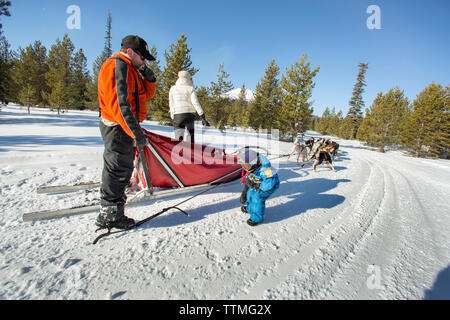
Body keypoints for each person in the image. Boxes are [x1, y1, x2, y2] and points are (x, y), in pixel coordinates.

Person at [96, 35, 157, 230]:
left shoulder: (131, 68)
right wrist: (136, 133)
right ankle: (109, 214)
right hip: (118, 126)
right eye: (142, 57)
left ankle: (114, 208)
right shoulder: (117, 66)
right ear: (130, 51)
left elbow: (147, 95)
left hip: (125, 127)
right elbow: (120, 106)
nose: (144, 61)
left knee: (122, 166)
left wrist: (149, 78)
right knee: (117, 168)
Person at [239, 149, 280, 226]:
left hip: (268, 186)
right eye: (243, 165)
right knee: (249, 194)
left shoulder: (267, 170)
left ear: (254, 163)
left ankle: (256, 218)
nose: (245, 168)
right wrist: (245, 190)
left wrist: (258, 186)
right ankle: (250, 208)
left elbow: (270, 182)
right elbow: (249, 176)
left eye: (246, 166)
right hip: (257, 183)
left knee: (256, 198)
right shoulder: (252, 168)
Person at [169, 71, 210, 143]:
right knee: (190, 136)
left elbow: (171, 104)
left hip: (177, 114)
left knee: (178, 138)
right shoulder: (190, 89)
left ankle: (178, 152)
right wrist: (202, 116)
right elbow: (195, 103)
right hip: (190, 115)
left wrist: (173, 116)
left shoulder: (173, 89)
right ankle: (191, 152)